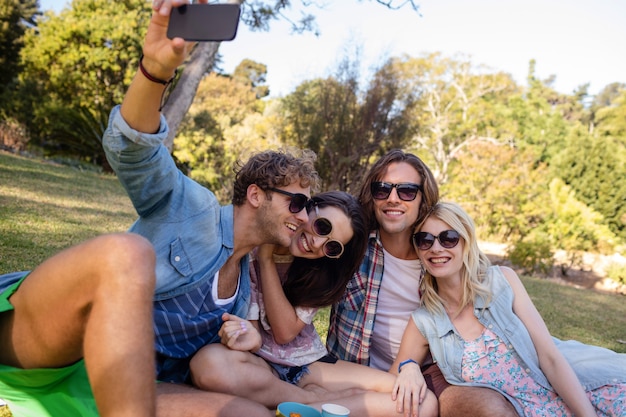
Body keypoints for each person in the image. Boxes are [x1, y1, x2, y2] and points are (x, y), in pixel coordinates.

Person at [100, 0, 322, 415]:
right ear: (256, 195)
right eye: (296, 202)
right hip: (88, 359)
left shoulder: (241, 286)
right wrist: (155, 70)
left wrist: (247, 340)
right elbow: (134, 150)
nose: (304, 217)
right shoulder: (193, 208)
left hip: (152, 384)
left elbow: (206, 362)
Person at [189, 191, 438, 417]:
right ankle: (313, 402)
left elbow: (285, 332)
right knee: (208, 364)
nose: (317, 243)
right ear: (308, 207)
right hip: (258, 367)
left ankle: (300, 409)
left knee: (422, 401)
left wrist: (411, 369)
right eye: (321, 226)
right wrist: (263, 258)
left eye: (331, 246)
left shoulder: (318, 270)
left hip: (306, 365)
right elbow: (251, 329)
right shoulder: (252, 242)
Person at [326, 149, 518, 416]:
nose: (393, 198)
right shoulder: (350, 246)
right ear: (372, 196)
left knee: (489, 410)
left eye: (406, 191)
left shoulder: (441, 255)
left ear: (422, 199)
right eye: (382, 189)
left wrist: (411, 367)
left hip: (431, 372)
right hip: (358, 370)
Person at [392, 201, 626, 416]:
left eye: (448, 238)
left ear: (466, 242)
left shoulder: (502, 281)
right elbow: (391, 379)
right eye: (425, 240)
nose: (436, 248)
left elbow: (550, 357)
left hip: (567, 394)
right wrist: (409, 367)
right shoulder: (424, 321)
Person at [0, 233, 157, 417]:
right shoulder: (186, 210)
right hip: (37, 352)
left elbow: (200, 369)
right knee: (124, 255)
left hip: (125, 386)